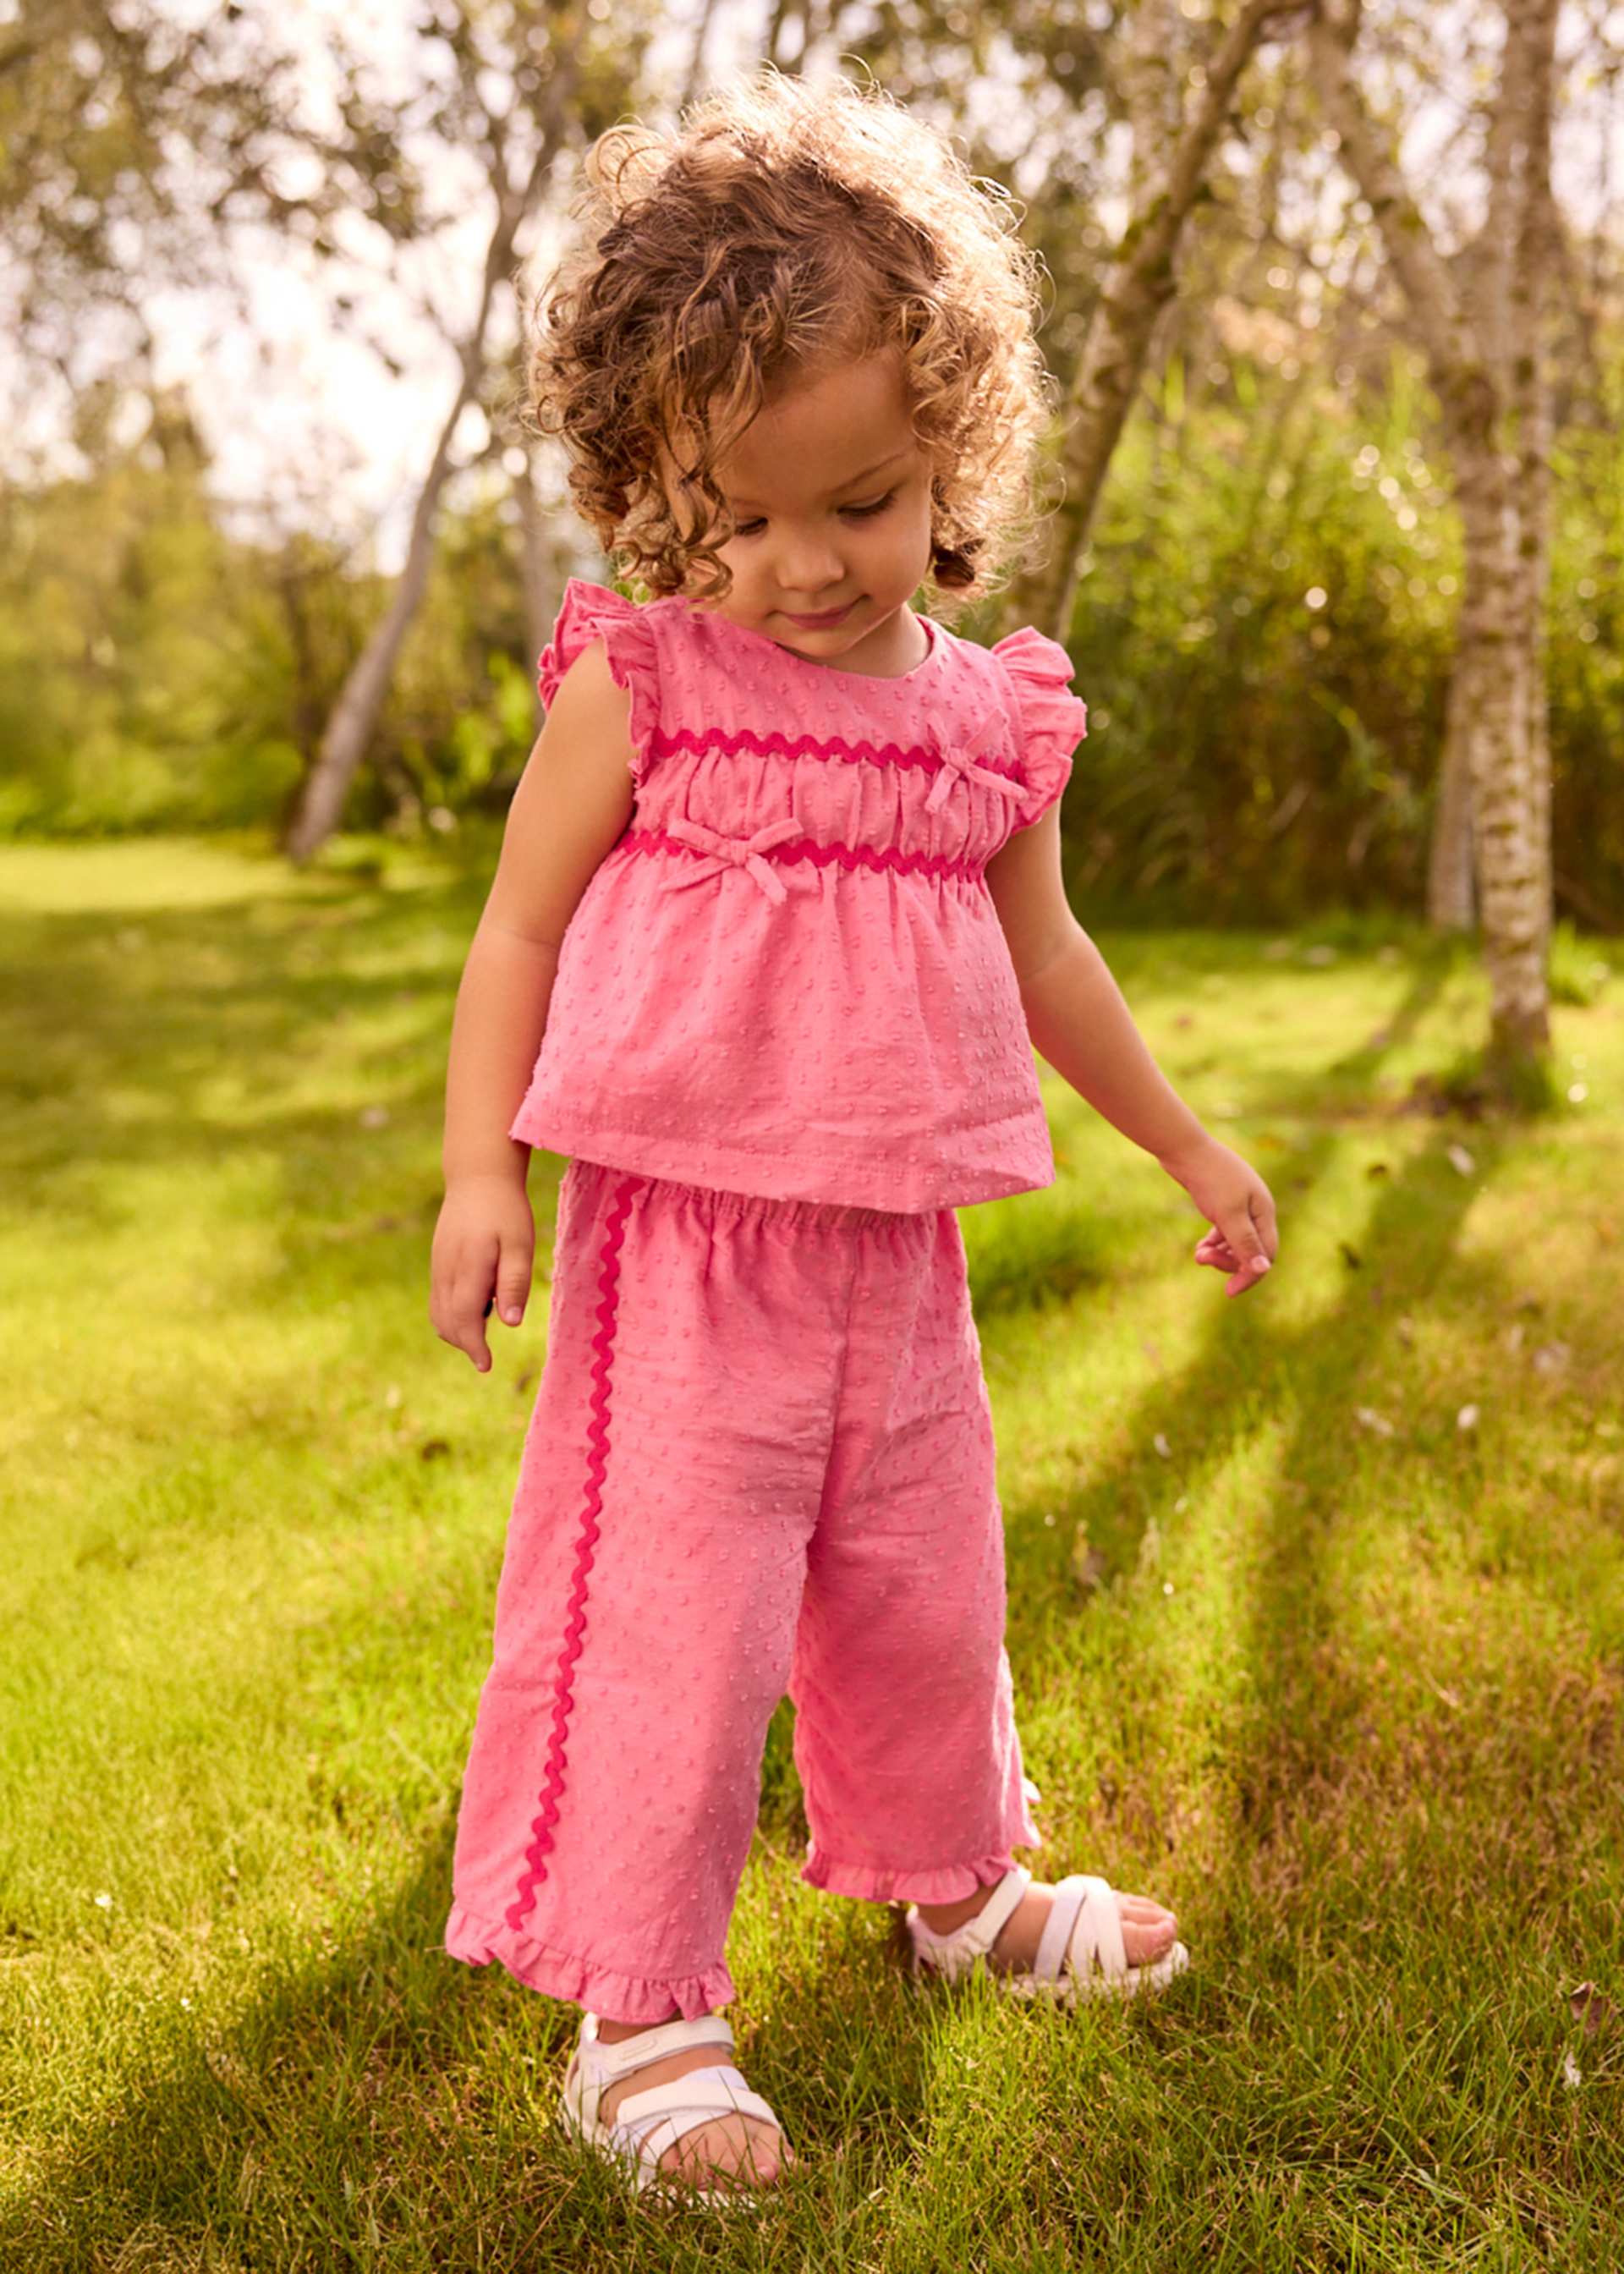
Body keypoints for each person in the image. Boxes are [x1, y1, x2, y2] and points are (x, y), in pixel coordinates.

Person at [429, 65, 1277, 2212]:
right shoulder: (651, 687)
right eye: (744, 512)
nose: (805, 563)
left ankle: (956, 1884)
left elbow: (1055, 962)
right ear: (659, 488)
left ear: (952, 455)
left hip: (895, 1262)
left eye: (865, 503)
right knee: (677, 1618)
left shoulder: (987, 718)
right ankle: (638, 2002)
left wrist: (1186, 1148)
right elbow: (518, 923)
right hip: (688, 1257)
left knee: (925, 1589)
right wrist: (476, 1176)